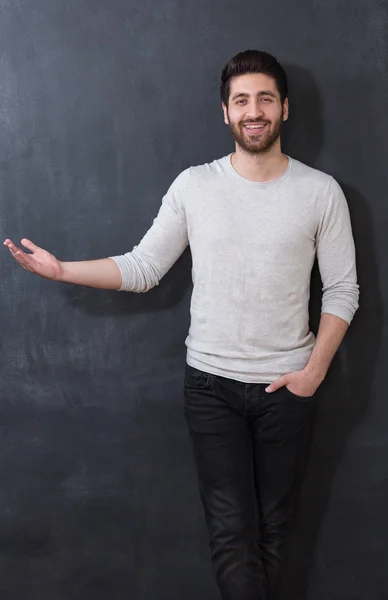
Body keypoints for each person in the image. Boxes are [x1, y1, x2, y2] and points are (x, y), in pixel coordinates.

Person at [4, 50, 359, 600]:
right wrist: (60, 271)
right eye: (241, 100)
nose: (254, 110)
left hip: (288, 389)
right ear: (226, 113)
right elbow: (144, 268)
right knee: (231, 538)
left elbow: (342, 289)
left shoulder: (320, 192)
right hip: (210, 387)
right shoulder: (196, 186)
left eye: (265, 97)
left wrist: (312, 373)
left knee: (275, 535)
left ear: (285, 108)